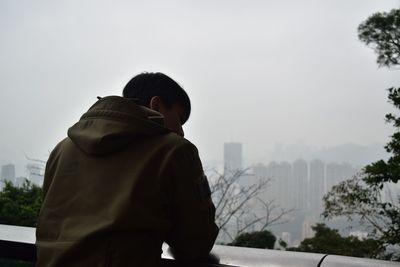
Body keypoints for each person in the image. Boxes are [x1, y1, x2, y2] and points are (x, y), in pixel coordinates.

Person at [36, 72, 219, 266]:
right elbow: (196, 241)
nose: (181, 131)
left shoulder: (63, 148)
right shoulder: (174, 150)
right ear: (155, 105)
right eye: (180, 119)